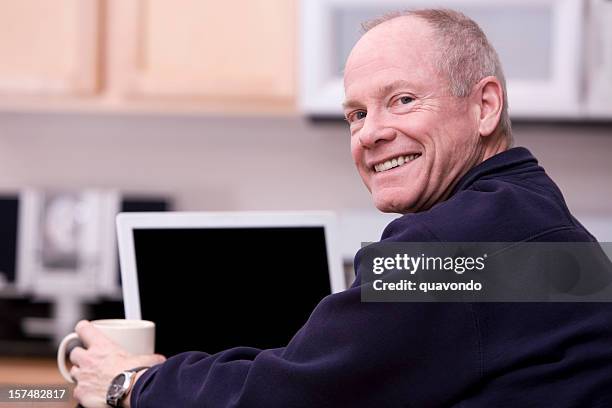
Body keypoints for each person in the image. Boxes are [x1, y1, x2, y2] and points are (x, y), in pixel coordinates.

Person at [70, 9, 612, 407]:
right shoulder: (528, 208)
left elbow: (288, 398)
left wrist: (130, 385)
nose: (371, 133)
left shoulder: (446, 249)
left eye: (402, 99)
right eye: (355, 113)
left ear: (484, 106)